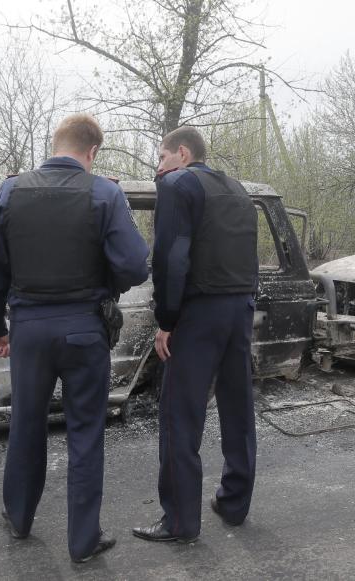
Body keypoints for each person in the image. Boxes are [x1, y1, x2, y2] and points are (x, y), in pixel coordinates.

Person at [0, 113, 150, 563]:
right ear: (93, 152)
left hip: (30, 330)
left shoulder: (11, 191)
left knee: (26, 425)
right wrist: (106, 283)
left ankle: (19, 518)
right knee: (86, 433)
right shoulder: (105, 192)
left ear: (54, 144)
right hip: (84, 329)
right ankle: (83, 541)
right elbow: (135, 265)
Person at [132, 126, 259, 543]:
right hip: (240, 309)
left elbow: (171, 256)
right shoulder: (238, 189)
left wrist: (165, 320)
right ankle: (234, 504)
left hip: (199, 314)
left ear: (181, 154)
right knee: (237, 408)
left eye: (161, 158)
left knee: (180, 416)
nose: (158, 167)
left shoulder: (177, 183)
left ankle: (180, 522)